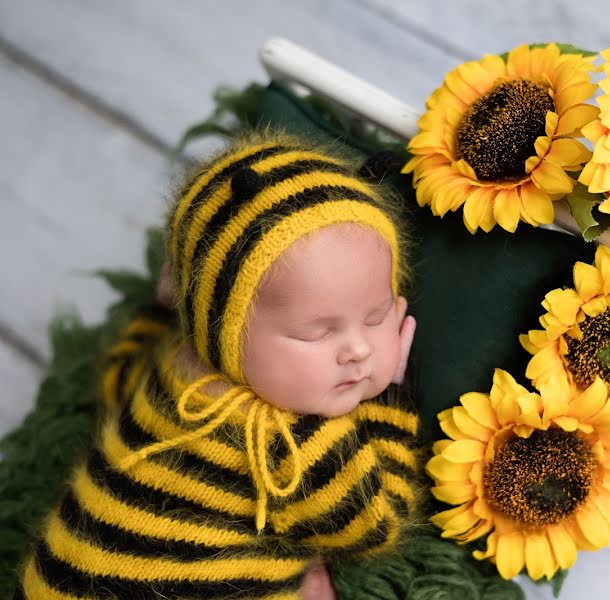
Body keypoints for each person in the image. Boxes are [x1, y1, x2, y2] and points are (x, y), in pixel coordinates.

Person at [16, 134, 421, 599]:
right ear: (225, 331)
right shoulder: (298, 443)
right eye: (316, 332)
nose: (359, 350)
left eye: (376, 316)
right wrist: (391, 397)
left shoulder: (173, 368)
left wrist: (161, 311)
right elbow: (376, 524)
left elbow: (117, 381)